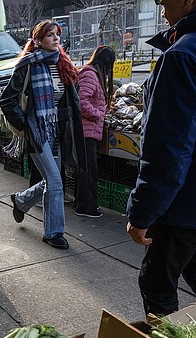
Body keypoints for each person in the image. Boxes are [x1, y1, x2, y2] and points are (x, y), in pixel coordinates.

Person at [127, 0, 196, 316]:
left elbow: (168, 151)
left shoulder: (183, 55)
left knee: (157, 282)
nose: (159, 2)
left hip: (187, 202)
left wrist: (142, 213)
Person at [0, 20, 85, 249]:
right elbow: (7, 101)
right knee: (56, 181)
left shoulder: (64, 64)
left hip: (57, 130)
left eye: (57, 34)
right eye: (50, 35)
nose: (56, 39)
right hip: (38, 131)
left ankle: (20, 200)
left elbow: (71, 98)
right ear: (38, 40)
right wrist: (26, 126)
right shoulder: (27, 65)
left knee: (52, 180)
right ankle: (53, 233)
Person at [74, 45, 116, 218]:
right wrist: (98, 114)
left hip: (88, 130)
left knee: (85, 169)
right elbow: (81, 101)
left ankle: (82, 203)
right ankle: (86, 207)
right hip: (86, 131)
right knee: (88, 170)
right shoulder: (91, 75)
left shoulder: (91, 74)